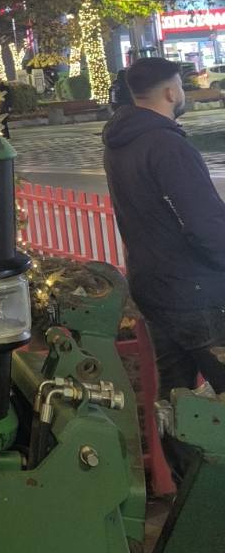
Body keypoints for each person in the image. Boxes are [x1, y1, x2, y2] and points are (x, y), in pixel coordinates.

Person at [102, 57, 225, 467]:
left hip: (154, 286)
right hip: (194, 291)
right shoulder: (168, 145)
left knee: (174, 394)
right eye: (181, 85)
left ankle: (189, 487)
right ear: (171, 91)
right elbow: (205, 222)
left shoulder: (120, 143)